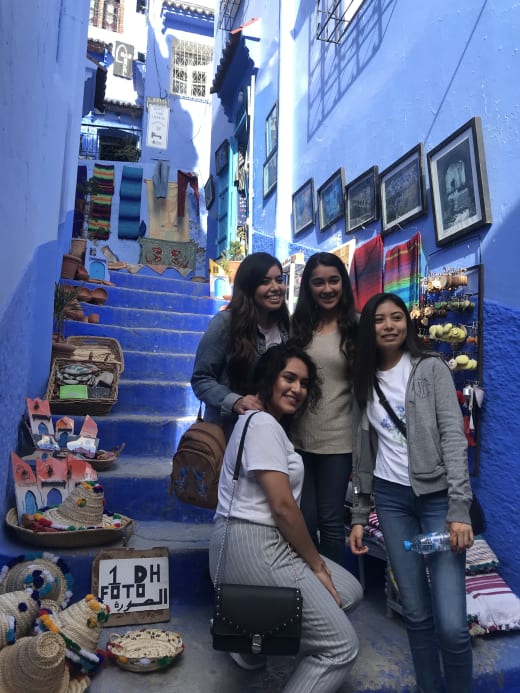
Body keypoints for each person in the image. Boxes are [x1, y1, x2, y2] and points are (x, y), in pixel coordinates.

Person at [209, 344, 362, 691]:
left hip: (259, 541)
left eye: (304, 383)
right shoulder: (262, 424)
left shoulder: (268, 426)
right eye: (288, 378)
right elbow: (281, 507)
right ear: (269, 379)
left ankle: (250, 639)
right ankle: (250, 636)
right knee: (340, 648)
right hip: (252, 542)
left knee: (349, 590)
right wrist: (317, 566)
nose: (297, 389)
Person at [348, 292, 473, 693]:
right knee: (417, 615)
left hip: (437, 502)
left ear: (407, 323)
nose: (389, 326)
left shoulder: (430, 367)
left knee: (452, 625)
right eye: (379, 319)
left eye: (396, 317)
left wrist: (459, 507)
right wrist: (358, 513)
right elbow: (362, 449)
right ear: (368, 328)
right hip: (391, 502)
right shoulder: (362, 377)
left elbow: (454, 437)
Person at [289, 252, 357, 565]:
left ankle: (335, 590)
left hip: (338, 440)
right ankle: (309, 584)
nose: (327, 288)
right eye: (318, 282)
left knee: (331, 521)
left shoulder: (356, 328)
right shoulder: (298, 327)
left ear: (343, 282)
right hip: (297, 438)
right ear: (309, 287)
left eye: (333, 280)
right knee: (304, 517)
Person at [191, 252, 289, 435]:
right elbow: (201, 379)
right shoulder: (225, 324)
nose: (276, 287)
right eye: (265, 281)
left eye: (279, 280)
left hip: (271, 433)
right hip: (229, 432)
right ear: (249, 287)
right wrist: (235, 401)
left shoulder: (285, 328)